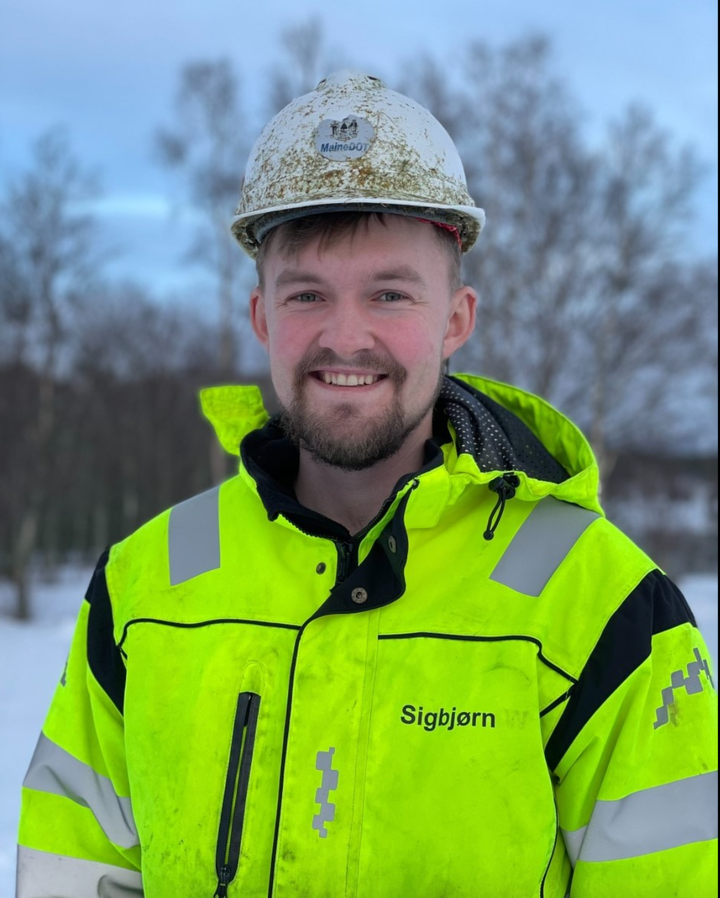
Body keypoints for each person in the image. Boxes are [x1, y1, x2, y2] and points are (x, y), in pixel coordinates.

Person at [17, 71, 717, 898]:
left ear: (456, 318)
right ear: (261, 319)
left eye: (390, 294)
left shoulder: (603, 606)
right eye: (307, 294)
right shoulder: (147, 583)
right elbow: (75, 868)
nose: (345, 338)